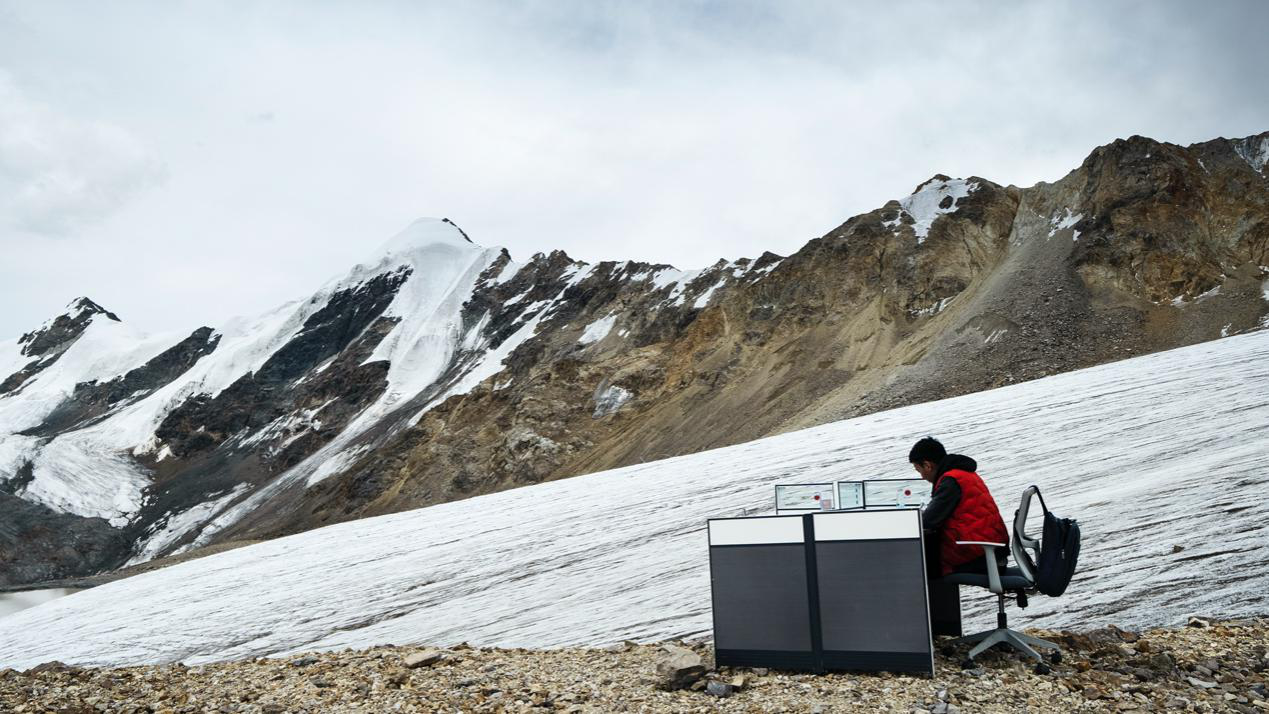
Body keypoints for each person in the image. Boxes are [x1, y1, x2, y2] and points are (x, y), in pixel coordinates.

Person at [909, 436, 1009, 577]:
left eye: (919, 470)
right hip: (993, 550)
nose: (922, 477)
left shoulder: (950, 482)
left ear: (927, 465)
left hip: (980, 556)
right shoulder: (963, 473)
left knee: (923, 563)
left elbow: (928, 521)